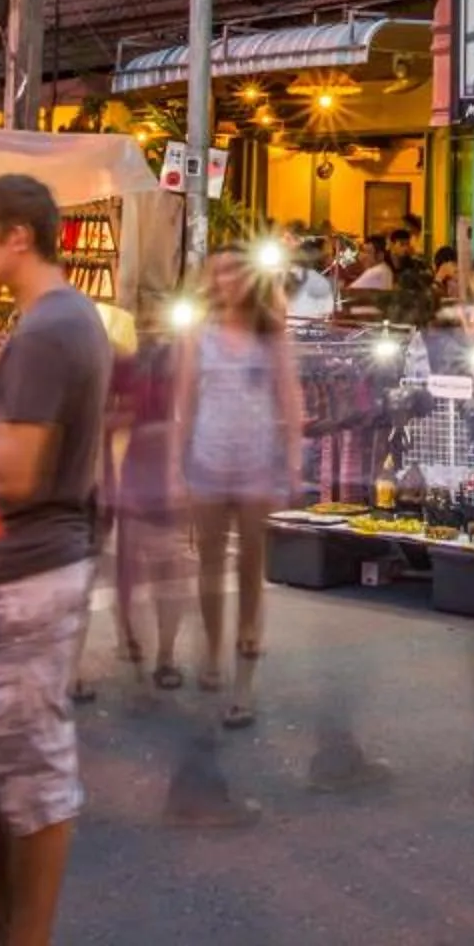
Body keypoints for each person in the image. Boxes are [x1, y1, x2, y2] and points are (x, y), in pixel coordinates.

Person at [0, 174, 112, 946]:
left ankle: (25, 934)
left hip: (29, 566)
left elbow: (12, 471)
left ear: (20, 235)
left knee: (31, 772)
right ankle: (5, 922)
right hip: (22, 560)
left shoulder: (49, 331)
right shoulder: (60, 320)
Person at [173, 247, 302, 729]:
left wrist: (291, 461)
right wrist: (176, 463)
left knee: (251, 565)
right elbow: (184, 402)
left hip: (255, 466)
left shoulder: (271, 336)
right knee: (209, 563)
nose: (225, 279)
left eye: (232, 271)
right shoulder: (199, 336)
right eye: (217, 273)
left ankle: (244, 679)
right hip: (208, 459)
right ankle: (210, 649)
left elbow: (289, 397)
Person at [106, 292, 191, 689]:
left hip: (167, 473)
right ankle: (133, 639)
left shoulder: (183, 359)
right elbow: (106, 414)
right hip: (135, 471)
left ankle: (166, 653)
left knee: (169, 566)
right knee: (131, 565)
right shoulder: (123, 361)